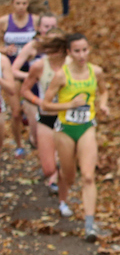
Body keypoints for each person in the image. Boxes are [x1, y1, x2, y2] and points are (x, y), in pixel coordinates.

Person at [41, 33, 108, 240]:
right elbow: (45, 104)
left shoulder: (95, 71)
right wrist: (69, 105)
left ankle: (89, 226)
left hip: (87, 126)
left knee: (88, 176)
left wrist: (103, 105)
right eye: (77, 51)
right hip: (65, 130)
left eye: (85, 50)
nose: (82, 55)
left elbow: (104, 91)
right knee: (70, 177)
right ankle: (63, 183)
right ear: (69, 52)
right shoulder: (62, 75)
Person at [20, 31, 67, 193]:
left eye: (55, 49)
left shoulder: (72, 64)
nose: (51, 53)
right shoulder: (39, 66)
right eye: (49, 49)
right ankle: (53, 174)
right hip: (46, 117)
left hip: (67, 117)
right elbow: (25, 90)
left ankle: (58, 183)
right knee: (48, 168)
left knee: (65, 158)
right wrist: (39, 101)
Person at [2, 0, 39, 155]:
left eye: (24, 3)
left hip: (31, 70)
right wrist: (3, 49)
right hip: (11, 71)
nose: (21, 7)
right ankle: (19, 145)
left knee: (35, 108)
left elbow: (46, 39)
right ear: (12, 4)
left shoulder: (35, 20)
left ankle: (36, 139)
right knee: (15, 112)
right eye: (18, 3)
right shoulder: (4, 21)